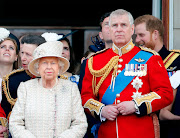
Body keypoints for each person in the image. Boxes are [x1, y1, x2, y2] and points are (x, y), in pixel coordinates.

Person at [81, 9, 173, 138]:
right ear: (109, 30)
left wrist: (136, 105)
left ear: (132, 29)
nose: (119, 29)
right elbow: (85, 98)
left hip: (141, 132)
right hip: (107, 133)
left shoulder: (150, 58)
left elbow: (165, 93)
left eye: (123, 25)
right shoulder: (94, 61)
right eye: (114, 25)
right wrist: (102, 110)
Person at [9, 41, 87, 138]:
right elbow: (15, 122)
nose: (49, 67)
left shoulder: (70, 88)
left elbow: (80, 123)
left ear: (59, 67)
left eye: (53, 63)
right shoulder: (26, 88)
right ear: (38, 67)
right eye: (44, 63)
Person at [134, 15, 180, 138]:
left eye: (141, 35)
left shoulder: (177, 61)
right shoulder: (134, 63)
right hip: (141, 127)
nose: (137, 40)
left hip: (171, 130)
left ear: (155, 34)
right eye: (136, 36)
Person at [1, 34, 46, 120]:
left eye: (28, 54)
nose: (23, 58)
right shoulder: (11, 80)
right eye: (22, 53)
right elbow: (4, 112)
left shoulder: (57, 79)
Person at [0, 27, 20, 137]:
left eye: (11, 48)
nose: (7, 50)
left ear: (16, 57)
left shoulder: (22, 81)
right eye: (3, 47)